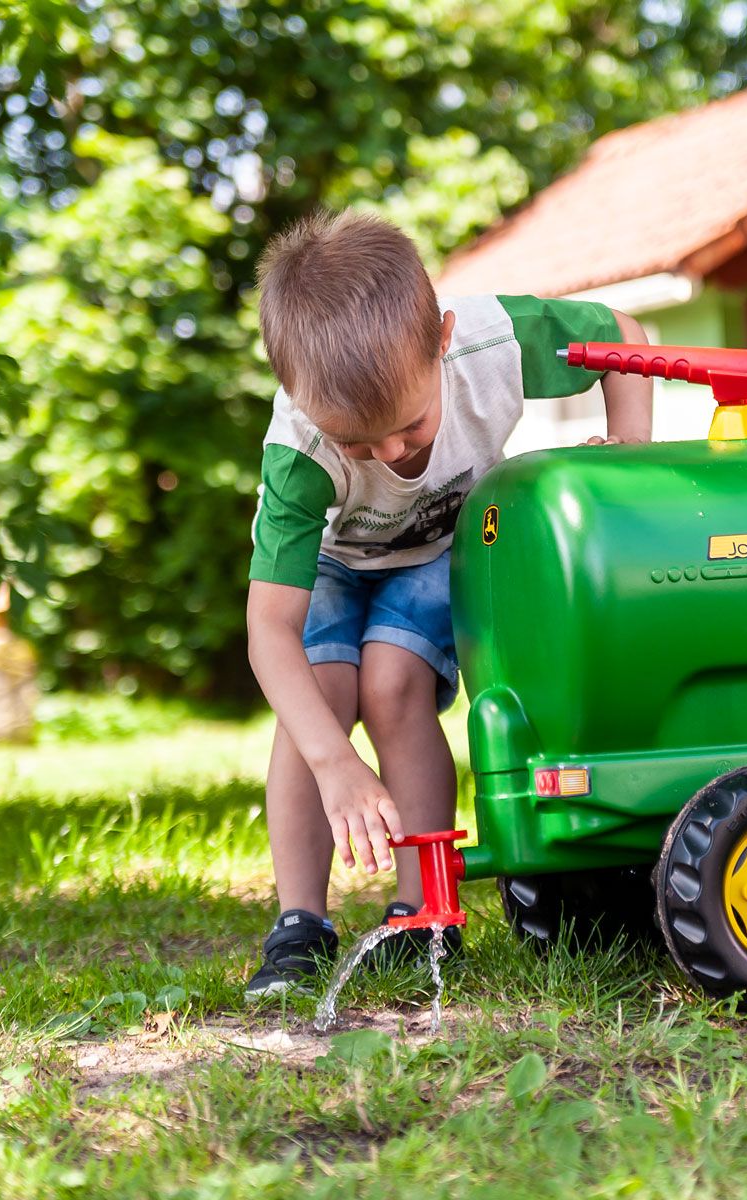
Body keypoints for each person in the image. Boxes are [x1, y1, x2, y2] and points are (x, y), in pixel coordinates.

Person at [244, 209, 652, 998]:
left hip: (439, 547)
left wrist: (628, 453)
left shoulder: (493, 343)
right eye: (357, 444)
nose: (390, 454)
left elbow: (622, 337)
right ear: (297, 397)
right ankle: (299, 926)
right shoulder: (300, 454)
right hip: (332, 563)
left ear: (443, 340)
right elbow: (270, 629)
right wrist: (336, 763)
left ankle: (423, 914)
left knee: (393, 682)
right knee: (319, 694)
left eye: (408, 427)